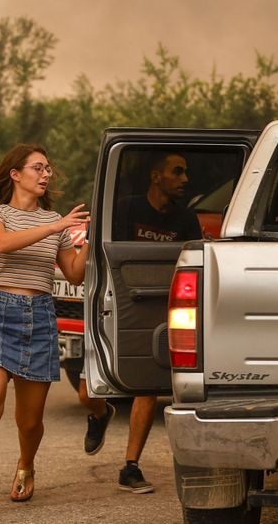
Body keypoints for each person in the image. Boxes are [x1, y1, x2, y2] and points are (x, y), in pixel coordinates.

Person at [0, 144, 90, 521]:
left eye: (48, 169)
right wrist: (55, 226)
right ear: (15, 174)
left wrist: (87, 241)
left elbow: (74, 274)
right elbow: (1, 243)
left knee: (29, 421)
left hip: (40, 317)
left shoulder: (57, 222)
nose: (46, 174)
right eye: (38, 168)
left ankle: (26, 465)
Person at [82, 151, 200, 495]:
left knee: (146, 386)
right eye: (177, 172)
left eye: (185, 172)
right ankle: (100, 413)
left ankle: (130, 467)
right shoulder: (127, 209)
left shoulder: (186, 218)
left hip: (159, 306)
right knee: (84, 390)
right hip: (120, 302)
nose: (185, 179)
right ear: (155, 177)